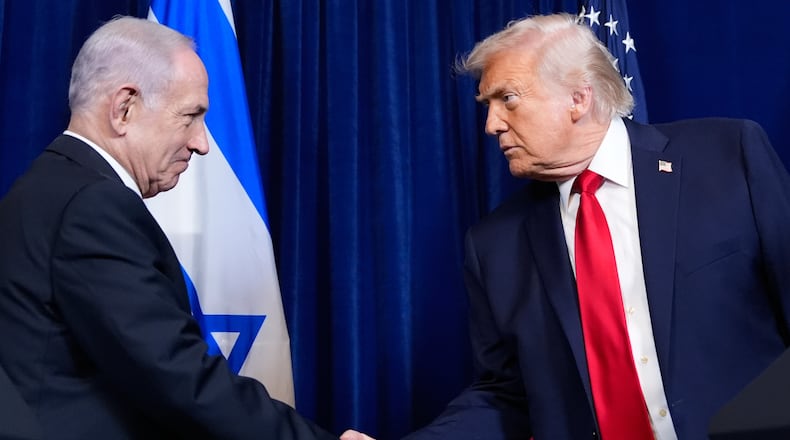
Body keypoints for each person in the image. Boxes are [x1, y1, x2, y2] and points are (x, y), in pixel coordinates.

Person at [397, 12, 790, 440]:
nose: (491, 124)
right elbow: (505, 398)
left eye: (507, 98)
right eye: (487, 105)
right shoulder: (493, 246)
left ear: (578, 99)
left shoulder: (727, 157)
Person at [0, 16, 355, 440]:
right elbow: (179, 377)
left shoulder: (47, 185)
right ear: (124, 108)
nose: (202, 143)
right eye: (190, 116)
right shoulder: (91, 205)